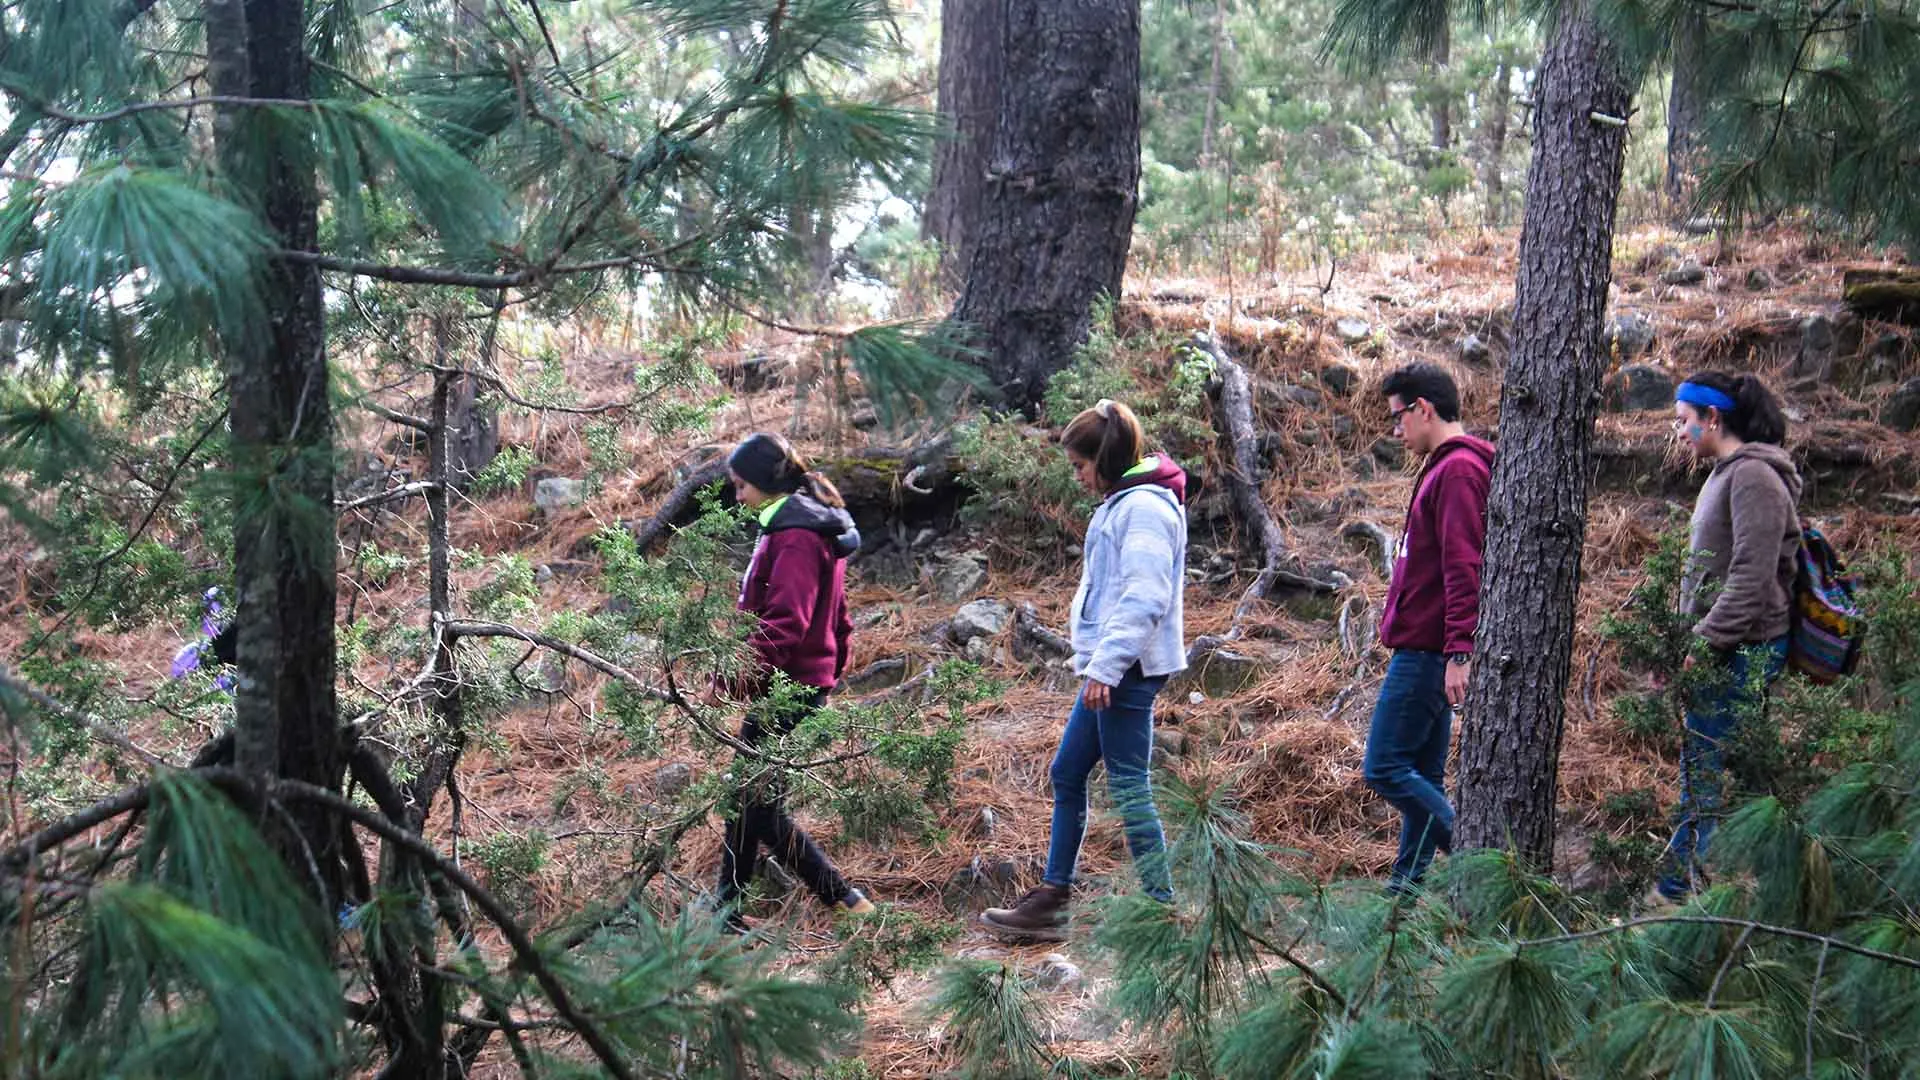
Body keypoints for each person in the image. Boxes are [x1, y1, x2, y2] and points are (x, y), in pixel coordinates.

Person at [981, 400, 1188, 942]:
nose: (1076, 477)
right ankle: (1053, 898)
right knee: (1068, 773)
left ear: (1105, 457)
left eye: (1079, 466)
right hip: (1110, 669)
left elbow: (1146, 597)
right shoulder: (1122, 503)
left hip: (1127, 671)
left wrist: (1108, 669)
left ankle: (1162, 911)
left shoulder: (1144, 508)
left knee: (1129, 786)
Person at [710, 432, 874, 928]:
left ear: (763, 482)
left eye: (741, 486)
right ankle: (727, 908)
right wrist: (833, 667)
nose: (738, 496)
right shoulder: (797, 526)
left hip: (789, 686)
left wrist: (738, 679)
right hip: (796, 681)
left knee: (755, 803)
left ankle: (843, 898)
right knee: (749, 797)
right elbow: (838, 616)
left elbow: (786, 622)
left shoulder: (797, 535)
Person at [1651, 370, 1800, 906]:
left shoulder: (1754, 477)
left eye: (1684, 422)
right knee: (1719, 769)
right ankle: (1729, 887)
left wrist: (1704, 642)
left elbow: (1751, 577)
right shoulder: (1727, 473)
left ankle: (1685, 895)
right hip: (1727, 646)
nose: (1679, 432)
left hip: (1743, 649)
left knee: (1710, 772)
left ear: (1713, 419)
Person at [1365, 363, 1494, 894]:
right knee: (1426, 776)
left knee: (1385, 767)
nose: (1396, 432)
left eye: (1399, 418)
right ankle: (1402, 902)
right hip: (1428, 647)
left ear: (1424, 408)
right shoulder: (1446, 467)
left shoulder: (1459, 471)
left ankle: (1485, 873)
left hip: (1428, 652)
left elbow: (1464, 564)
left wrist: (1459, 650)